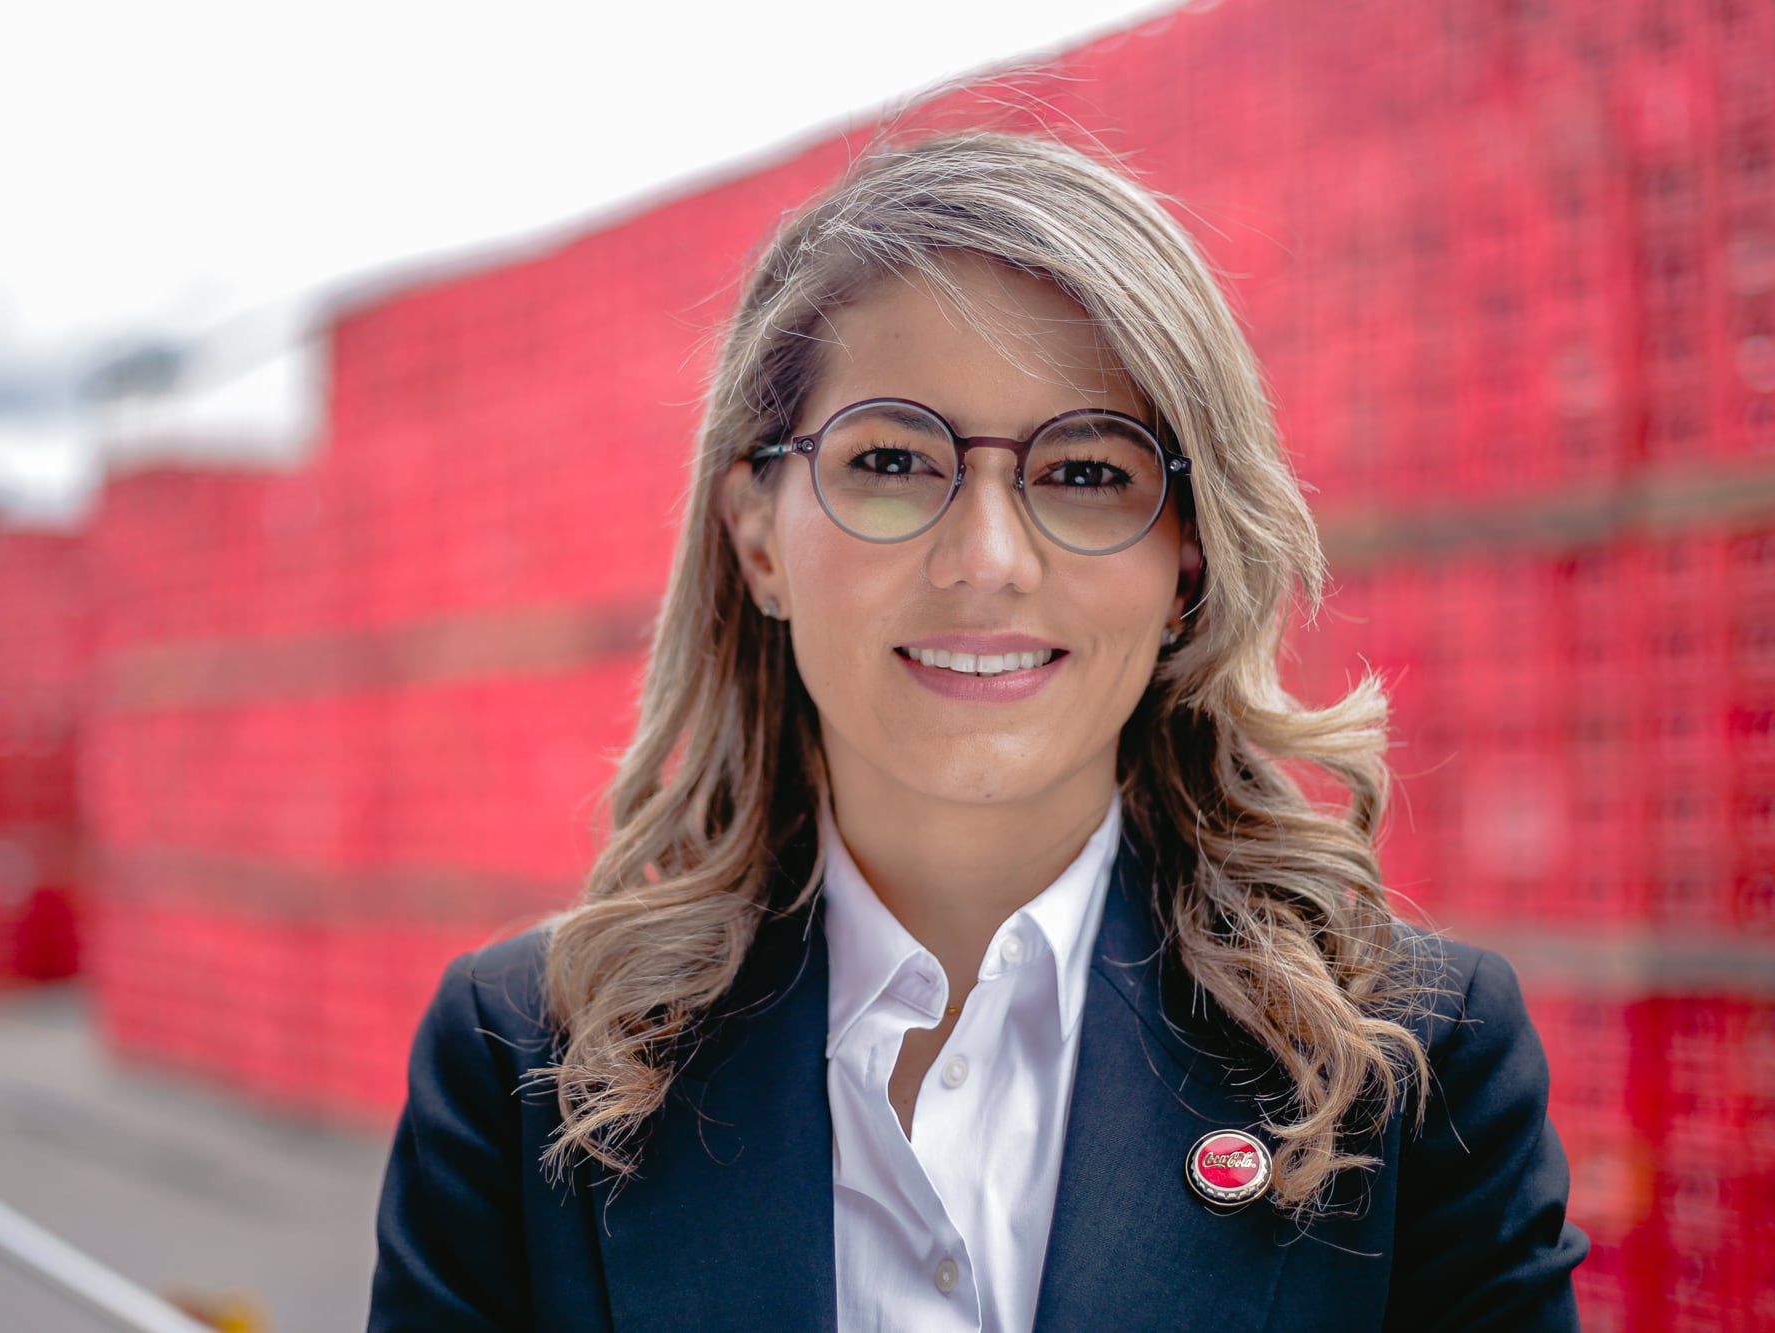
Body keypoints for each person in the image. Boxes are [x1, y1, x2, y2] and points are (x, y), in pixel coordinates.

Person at [367, 130, 1589, 1332]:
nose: (987, 561)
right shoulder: (519, 1065)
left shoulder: (1417, 1065)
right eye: (892, 458)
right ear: (756, 536)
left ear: (1188, 557)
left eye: (1087, 472)